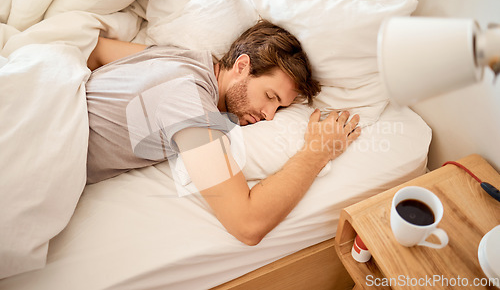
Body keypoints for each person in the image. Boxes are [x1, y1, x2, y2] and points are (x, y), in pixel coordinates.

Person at [85, 19, 361, 245]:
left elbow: (95, 50)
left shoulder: (183, 58)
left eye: (279, 107)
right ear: (242, 66)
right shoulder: (189, 100)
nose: (268, 115)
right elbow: (247, 223)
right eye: (269, 95)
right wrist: (317, 152)